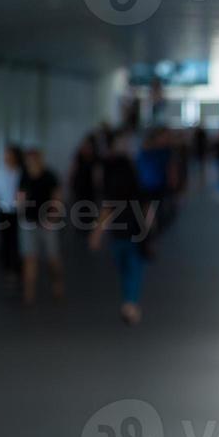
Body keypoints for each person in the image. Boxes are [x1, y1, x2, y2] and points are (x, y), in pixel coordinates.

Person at [89, 133, 153, 325]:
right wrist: (149, 231)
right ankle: (130, 302)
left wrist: (96, 234)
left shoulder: (113, 193)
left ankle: (129, 302)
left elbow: (106, 212)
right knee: (135, 270)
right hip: (136, 233)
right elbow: (148, 211)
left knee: (125, 269)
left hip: (118, 235)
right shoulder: (139, 189)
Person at [15, 147, 65, 305]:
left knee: (52, 259)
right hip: (29, 223)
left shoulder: (50, 176)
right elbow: (20, 198)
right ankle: (29, 294)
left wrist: (53, 218)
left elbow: (57, 199)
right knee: (29, 258)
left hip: (47, 223)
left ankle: (57, 285)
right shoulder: (24, 177)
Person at [0, 145, 23, 290]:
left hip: (18, 212)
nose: (6, 157)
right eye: (5, 155)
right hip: (3, 211)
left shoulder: (21, 172)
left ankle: (17, 267)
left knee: (17, 241)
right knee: (5, 241)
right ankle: (8, 269)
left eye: (9, 154)